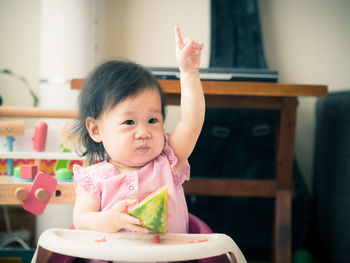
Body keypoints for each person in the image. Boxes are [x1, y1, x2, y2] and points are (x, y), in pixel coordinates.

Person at [72, 26, 205, 234]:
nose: (144, 132)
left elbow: (192, 123)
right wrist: (108, 220)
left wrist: (189, 73)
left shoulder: (168, 162)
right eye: (129, 122)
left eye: (152, 120)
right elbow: (81, 220)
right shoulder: (93, 179)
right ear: (96, 130)